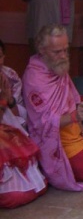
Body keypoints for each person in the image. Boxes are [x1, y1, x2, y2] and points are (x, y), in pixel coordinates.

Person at [22, 24, 83, 191]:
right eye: (57, 52)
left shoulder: (58, 69)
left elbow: (72, 104)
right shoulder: (34, 79)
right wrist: (75, 116)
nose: (63, 56)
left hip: (74, 133)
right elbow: (43, 123)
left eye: (65, 50)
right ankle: (62, 170)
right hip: (57, 143)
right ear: (42, 50)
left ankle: (80, 164)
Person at [0, 73, 47, 209]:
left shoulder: (8, 74)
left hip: (8, 128)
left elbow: (17, 115)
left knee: (39, 186)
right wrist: (3, 101)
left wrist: (9, 100)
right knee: (14, 197)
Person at [0, 39, 27, 127]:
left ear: (4, 57)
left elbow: (19, 115)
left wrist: (10, 100)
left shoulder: (11, 77)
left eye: (0, 56)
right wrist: (3, 100)